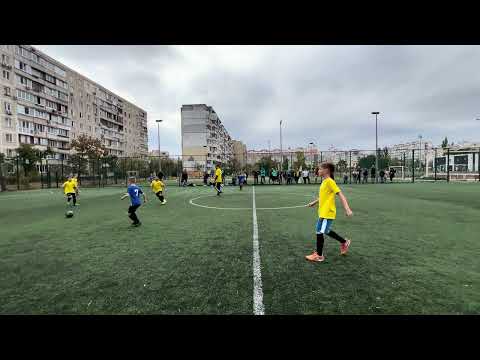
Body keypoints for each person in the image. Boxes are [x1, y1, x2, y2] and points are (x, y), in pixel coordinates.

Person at [305, 162, 353, 263]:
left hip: (328, 212)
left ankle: (319, 255)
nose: (318, 171)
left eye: (319, 169)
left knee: (320, 231)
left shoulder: (330, 182)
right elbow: (323, 196)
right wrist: (314, 202)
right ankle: (344, 242)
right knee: (324, 230)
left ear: (326, 170)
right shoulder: (324, 182)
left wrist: (347, 208)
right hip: (323, 211)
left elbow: (340, 195)